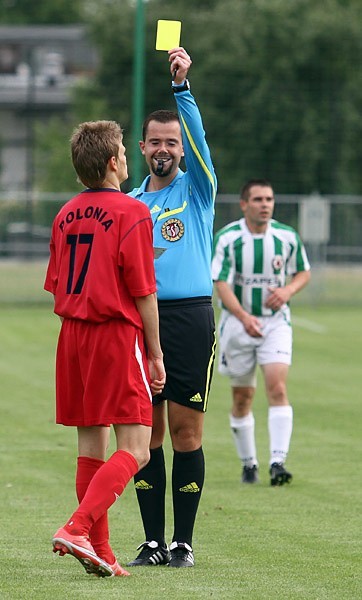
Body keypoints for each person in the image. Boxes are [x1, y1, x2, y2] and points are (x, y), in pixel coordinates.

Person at [44, 120, 165, 577]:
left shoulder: (64, 213)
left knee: (91, 448)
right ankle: (77, 527)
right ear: (114, 162)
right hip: (114, 334)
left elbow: (55, 283)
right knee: (137, 450)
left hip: (72, 336)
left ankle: (103, 552)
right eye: (125, 153)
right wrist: (154, 353)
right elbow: (144, 292)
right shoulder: (132, 212)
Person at [126, 47, 217, 568]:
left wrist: (183, 91)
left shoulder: (198, 191)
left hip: (188, 320)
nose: (164, 149)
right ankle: (152, 542)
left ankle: (183, 543)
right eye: (156, 142)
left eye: (172, 143)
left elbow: (201, 141)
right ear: (142, 148)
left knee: (186, 431)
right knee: (146, 434)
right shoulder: (131, 202)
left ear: (183, 150)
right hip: (139, 322)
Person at [211, 179, 311, 486]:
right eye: (258, 199)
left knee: (277, 388)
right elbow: (220, 282)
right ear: (244, 204)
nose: (265, 204)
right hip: (238, 325)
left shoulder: (286, 236)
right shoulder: (228, 238)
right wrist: (243, 316)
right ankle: (248, 464)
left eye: (269, 198)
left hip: (275, 322)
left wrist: (288, 290)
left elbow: (303, 271)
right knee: (243, 397)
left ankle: (277, 462)